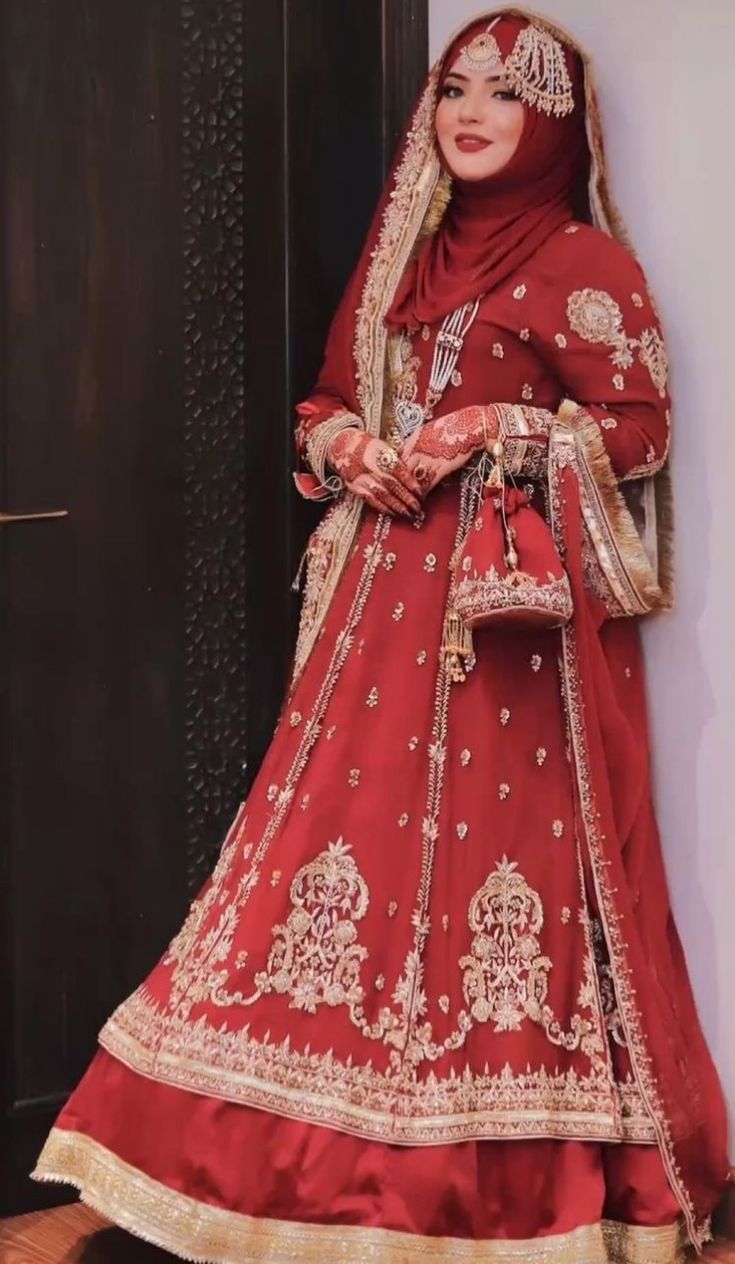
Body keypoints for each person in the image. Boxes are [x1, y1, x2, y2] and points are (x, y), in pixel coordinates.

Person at [33, 9, 729, 1262]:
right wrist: (349, 446)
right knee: (320, 870)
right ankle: (296, 1168)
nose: (468, 112)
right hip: (370, 625)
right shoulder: (408, 251)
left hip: (506, 641)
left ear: (553, 124)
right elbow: (329, 402)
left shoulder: (581, 260)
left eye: (503, 95)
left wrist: (487, 435)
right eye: (453, 87)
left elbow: (640, 428)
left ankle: (498, 1189)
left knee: (487, 900)